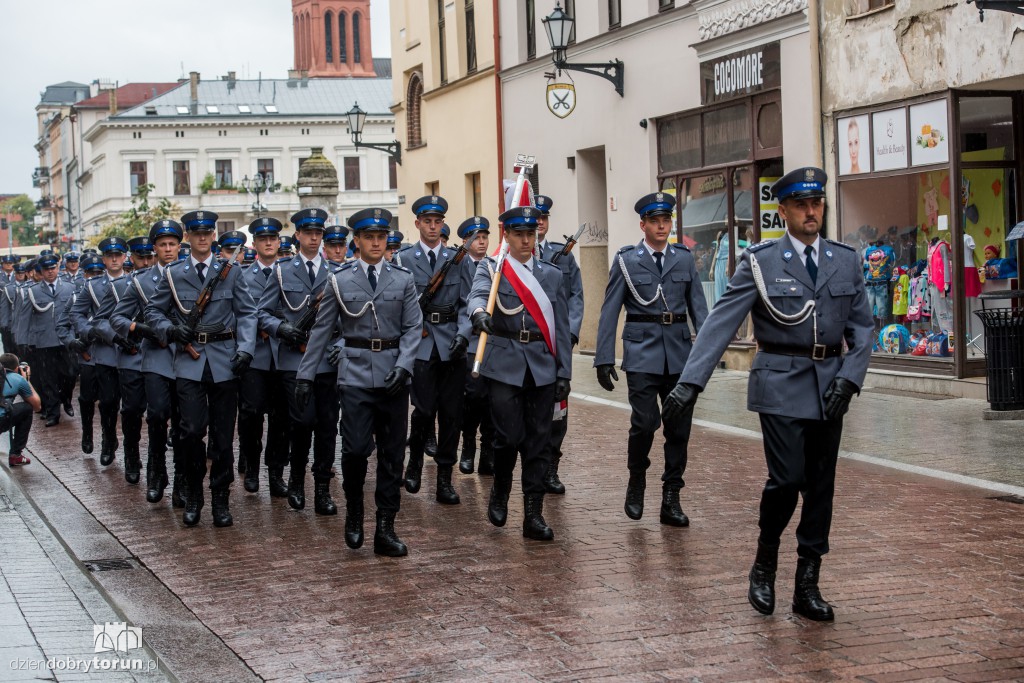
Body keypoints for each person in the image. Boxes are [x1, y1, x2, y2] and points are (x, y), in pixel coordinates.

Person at [662, 167, 873, 621]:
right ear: (784, 211)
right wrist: (690, 383)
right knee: (788, 478)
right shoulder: (760, 262)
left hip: (830, 385)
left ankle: (807, 583)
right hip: (779, 381)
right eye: (801, 205)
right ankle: (765, 560)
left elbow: (863, 329)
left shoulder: (845, 260)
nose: (811, 211)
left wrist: (850, 379)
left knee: (821, 486)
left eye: (817, 203)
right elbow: (720, 321)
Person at [297, 207, 422, 557]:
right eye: (370, 237)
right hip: (353, 375)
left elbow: (414, 328)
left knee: (393, 454)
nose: (377, 242)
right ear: (358, 240)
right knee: (353, 450)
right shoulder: (339, 280)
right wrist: (305, 375)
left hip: (393, 376)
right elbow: (322, 331)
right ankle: (354, 511)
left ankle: (385, 526)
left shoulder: (403, 279)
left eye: (382, 237)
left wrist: (404, 365)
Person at [594, 192, 709, 528]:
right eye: (655, 221)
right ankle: (637, 478)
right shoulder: (627, 261)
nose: (662, 226)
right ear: (642, 224)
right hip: (641, 354)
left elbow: (699, 309)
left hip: (679, 356)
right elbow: (610, 309)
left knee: (679, 430)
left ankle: (671, 496)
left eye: (667, 220)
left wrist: (706, 356)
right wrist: (604, 357)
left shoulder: (684, 259)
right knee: (645, 423)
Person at [145, 210, 257, 528]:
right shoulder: (174, 273)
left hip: (225, 359)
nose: (203, 238)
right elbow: (153, 310)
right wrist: (170, 329)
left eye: (208, 232)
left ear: (213, 236)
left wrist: (246, 348)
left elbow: (247, 312)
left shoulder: (230, 272)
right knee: (191, 432)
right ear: (188, 237)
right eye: (197, 233)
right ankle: (193, 494)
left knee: (222, 437)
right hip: (189, 361)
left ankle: (220, 498)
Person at [467, 205, 572, 541]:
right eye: (518, 234)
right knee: (507, 436)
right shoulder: (494, 267)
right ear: (507, 236)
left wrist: (564, 373)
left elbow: (562, 326)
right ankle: (500, 490)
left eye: (531, 233)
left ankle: (533, 514)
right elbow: (478, 295)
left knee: (539, 441)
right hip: (505, 363)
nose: (526, 240)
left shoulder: (552, 275)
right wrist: (479, 314)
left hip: (541, 364)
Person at [257, 208, 340, 515]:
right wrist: (282, 328)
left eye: (319, 233)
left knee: (328, 425)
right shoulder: (281, 271)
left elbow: (350, 320)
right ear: (298, 236)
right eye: (309, 233)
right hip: (295, 359)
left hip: (328, 360)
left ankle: (321, 489)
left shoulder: (335, 272)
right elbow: (263, 313)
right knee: (303, 422)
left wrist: (341, 344)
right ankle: (295, 477)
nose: (314, 238)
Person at [397, 195, 466, 505]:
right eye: (427, 221)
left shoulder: (457, 259)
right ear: (417, 224)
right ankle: (413, 462)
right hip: (421, 344)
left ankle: (444, 479)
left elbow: (468, 302)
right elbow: (399, 304)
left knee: (451, 416)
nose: (433, 226)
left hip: (451, 343)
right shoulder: (403, 259)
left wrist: (464, 333)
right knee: (423, 410)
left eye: (438, 222)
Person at [110, 220, 186, 505]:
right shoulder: (140, 282)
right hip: (155, 355)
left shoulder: (192, 275)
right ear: (154, 248)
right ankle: (156, 471)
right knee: (156, 415)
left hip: (187, 355)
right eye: (162, 245)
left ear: (180, 246)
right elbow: (117, 317)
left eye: (172, 244)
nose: (168, 249)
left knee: (185, 423)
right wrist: (139, 329)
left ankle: (181, 479)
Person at [533, 195, 584, 494]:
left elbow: (576, 295)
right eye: (535, 216)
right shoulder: (514, 258)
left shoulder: (562, 255)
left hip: (556, 346)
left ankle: (551, 468)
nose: (540, 222)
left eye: (544, 217)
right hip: (527, 345)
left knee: (558, 411)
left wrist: (572, 334)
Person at [237, 217, 291, 498]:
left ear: (279, 243)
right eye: (263, 239)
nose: (269, 243)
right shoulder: (243, 276)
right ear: (255, 244)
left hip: (284, 355)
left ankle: (276, 473)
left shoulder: (288, 273)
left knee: (282, 419)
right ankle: (253, 467)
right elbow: (239, 314)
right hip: (255, 356)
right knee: (250, 414)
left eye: (273, 239)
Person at [70, 237, 128, 466]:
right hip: (104, 352)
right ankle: (108, 440)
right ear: (104, 259)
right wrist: (89, 332)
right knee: (107, 402)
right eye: (109, 255)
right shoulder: (92, 286)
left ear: (125, 256)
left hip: (132, 352)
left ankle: (130, 447)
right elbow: (76, 313)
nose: (114, 259)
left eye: (118, 254)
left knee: (132, 407)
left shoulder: (136, 282)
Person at [454, 217, 494, 476]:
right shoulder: (457, 267)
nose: (481, 242)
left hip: (494, 341)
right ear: (465, 241)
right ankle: (468, 442)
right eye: (476, 238)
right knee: (474, 397)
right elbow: (459, 305)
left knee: (494, 399)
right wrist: (467, 330)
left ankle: (488, 449)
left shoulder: (495, 266)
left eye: (484, 237)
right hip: (469, 341)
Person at [24, 253, 76, 427]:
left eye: (53, 268)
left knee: (70, 374)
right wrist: (26, 341)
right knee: (48, 378)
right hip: (44, 341)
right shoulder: (33, 291)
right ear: (41, 271)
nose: (50, 272)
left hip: (65, 340)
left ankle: (66, 399)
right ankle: (53, 413)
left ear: (58, 268)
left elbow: (76, 314)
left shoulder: (69, 287)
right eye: (46, 269)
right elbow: (26, 318)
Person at [1, 353, 41, 466]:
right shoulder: (18, 379)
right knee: (27, 408)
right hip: (1, 421)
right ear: (16, 368)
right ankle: (16, 455)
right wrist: (26, 379)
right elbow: (37, 406)